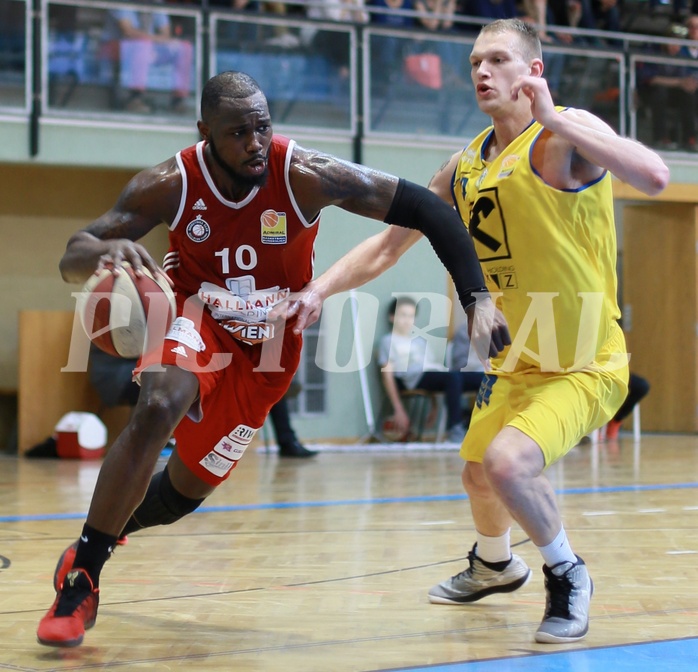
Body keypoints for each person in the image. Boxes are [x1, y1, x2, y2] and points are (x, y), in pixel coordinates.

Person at [36, 69, 510, 648]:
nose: (255, 142)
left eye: (262, 126)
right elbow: (72, 255)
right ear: (205, 131)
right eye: (238, 132)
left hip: (268, 352)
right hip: (196, 317)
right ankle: (82, 581)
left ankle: (96, 541)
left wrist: (477, 300)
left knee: (182, 495)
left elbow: (430, 212)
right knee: (159, 403)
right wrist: (107, 250)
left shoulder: (305, 174)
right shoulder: (168, 183)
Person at [281, 18, 669, 643]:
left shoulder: (565, 134)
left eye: (497, 60)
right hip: (515, 362)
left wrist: (561, 117)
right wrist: (317, 290)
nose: (482, 73)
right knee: (477, 475)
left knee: (507, 463)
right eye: (473, 64)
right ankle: (495, 564)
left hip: (584, 361)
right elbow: (386, 247)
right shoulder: (461, 168)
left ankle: (568, 574)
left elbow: (654, 177)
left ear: (533, 72)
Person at [90, 346, 315, 457]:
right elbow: (153, 349)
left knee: (259, 375)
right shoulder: (122, 309)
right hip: (120, 378)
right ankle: (190, 444)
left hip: (139, 370)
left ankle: (285, 439)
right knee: (190, 377)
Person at [377, 296, 481, 443]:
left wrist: (434, 405)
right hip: (411, 378)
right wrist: (398, 409)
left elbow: (433, 374)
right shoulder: (388, 341)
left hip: (434, 374)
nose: (407, 320)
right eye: (403, 315)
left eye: (411, 316)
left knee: (482, 378)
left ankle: (482, 428)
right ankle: (455, 430)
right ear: (392, 317)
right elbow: (387, 374)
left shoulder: (420, 341)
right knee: (453, 377)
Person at [102, 0, 194, 113]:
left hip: (147, 47)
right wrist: (153, 41)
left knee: (184, 47)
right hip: (116, 46)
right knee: (142, 44)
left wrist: (153, 43)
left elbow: (166, 33)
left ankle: (178, 101)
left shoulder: (156, 2)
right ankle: (135, 98)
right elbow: (128, 31)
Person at [603, 372, 650, 440]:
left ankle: (616, 419)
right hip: (594, 372)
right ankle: (594, 426)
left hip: (614, 371)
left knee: (642, 386)